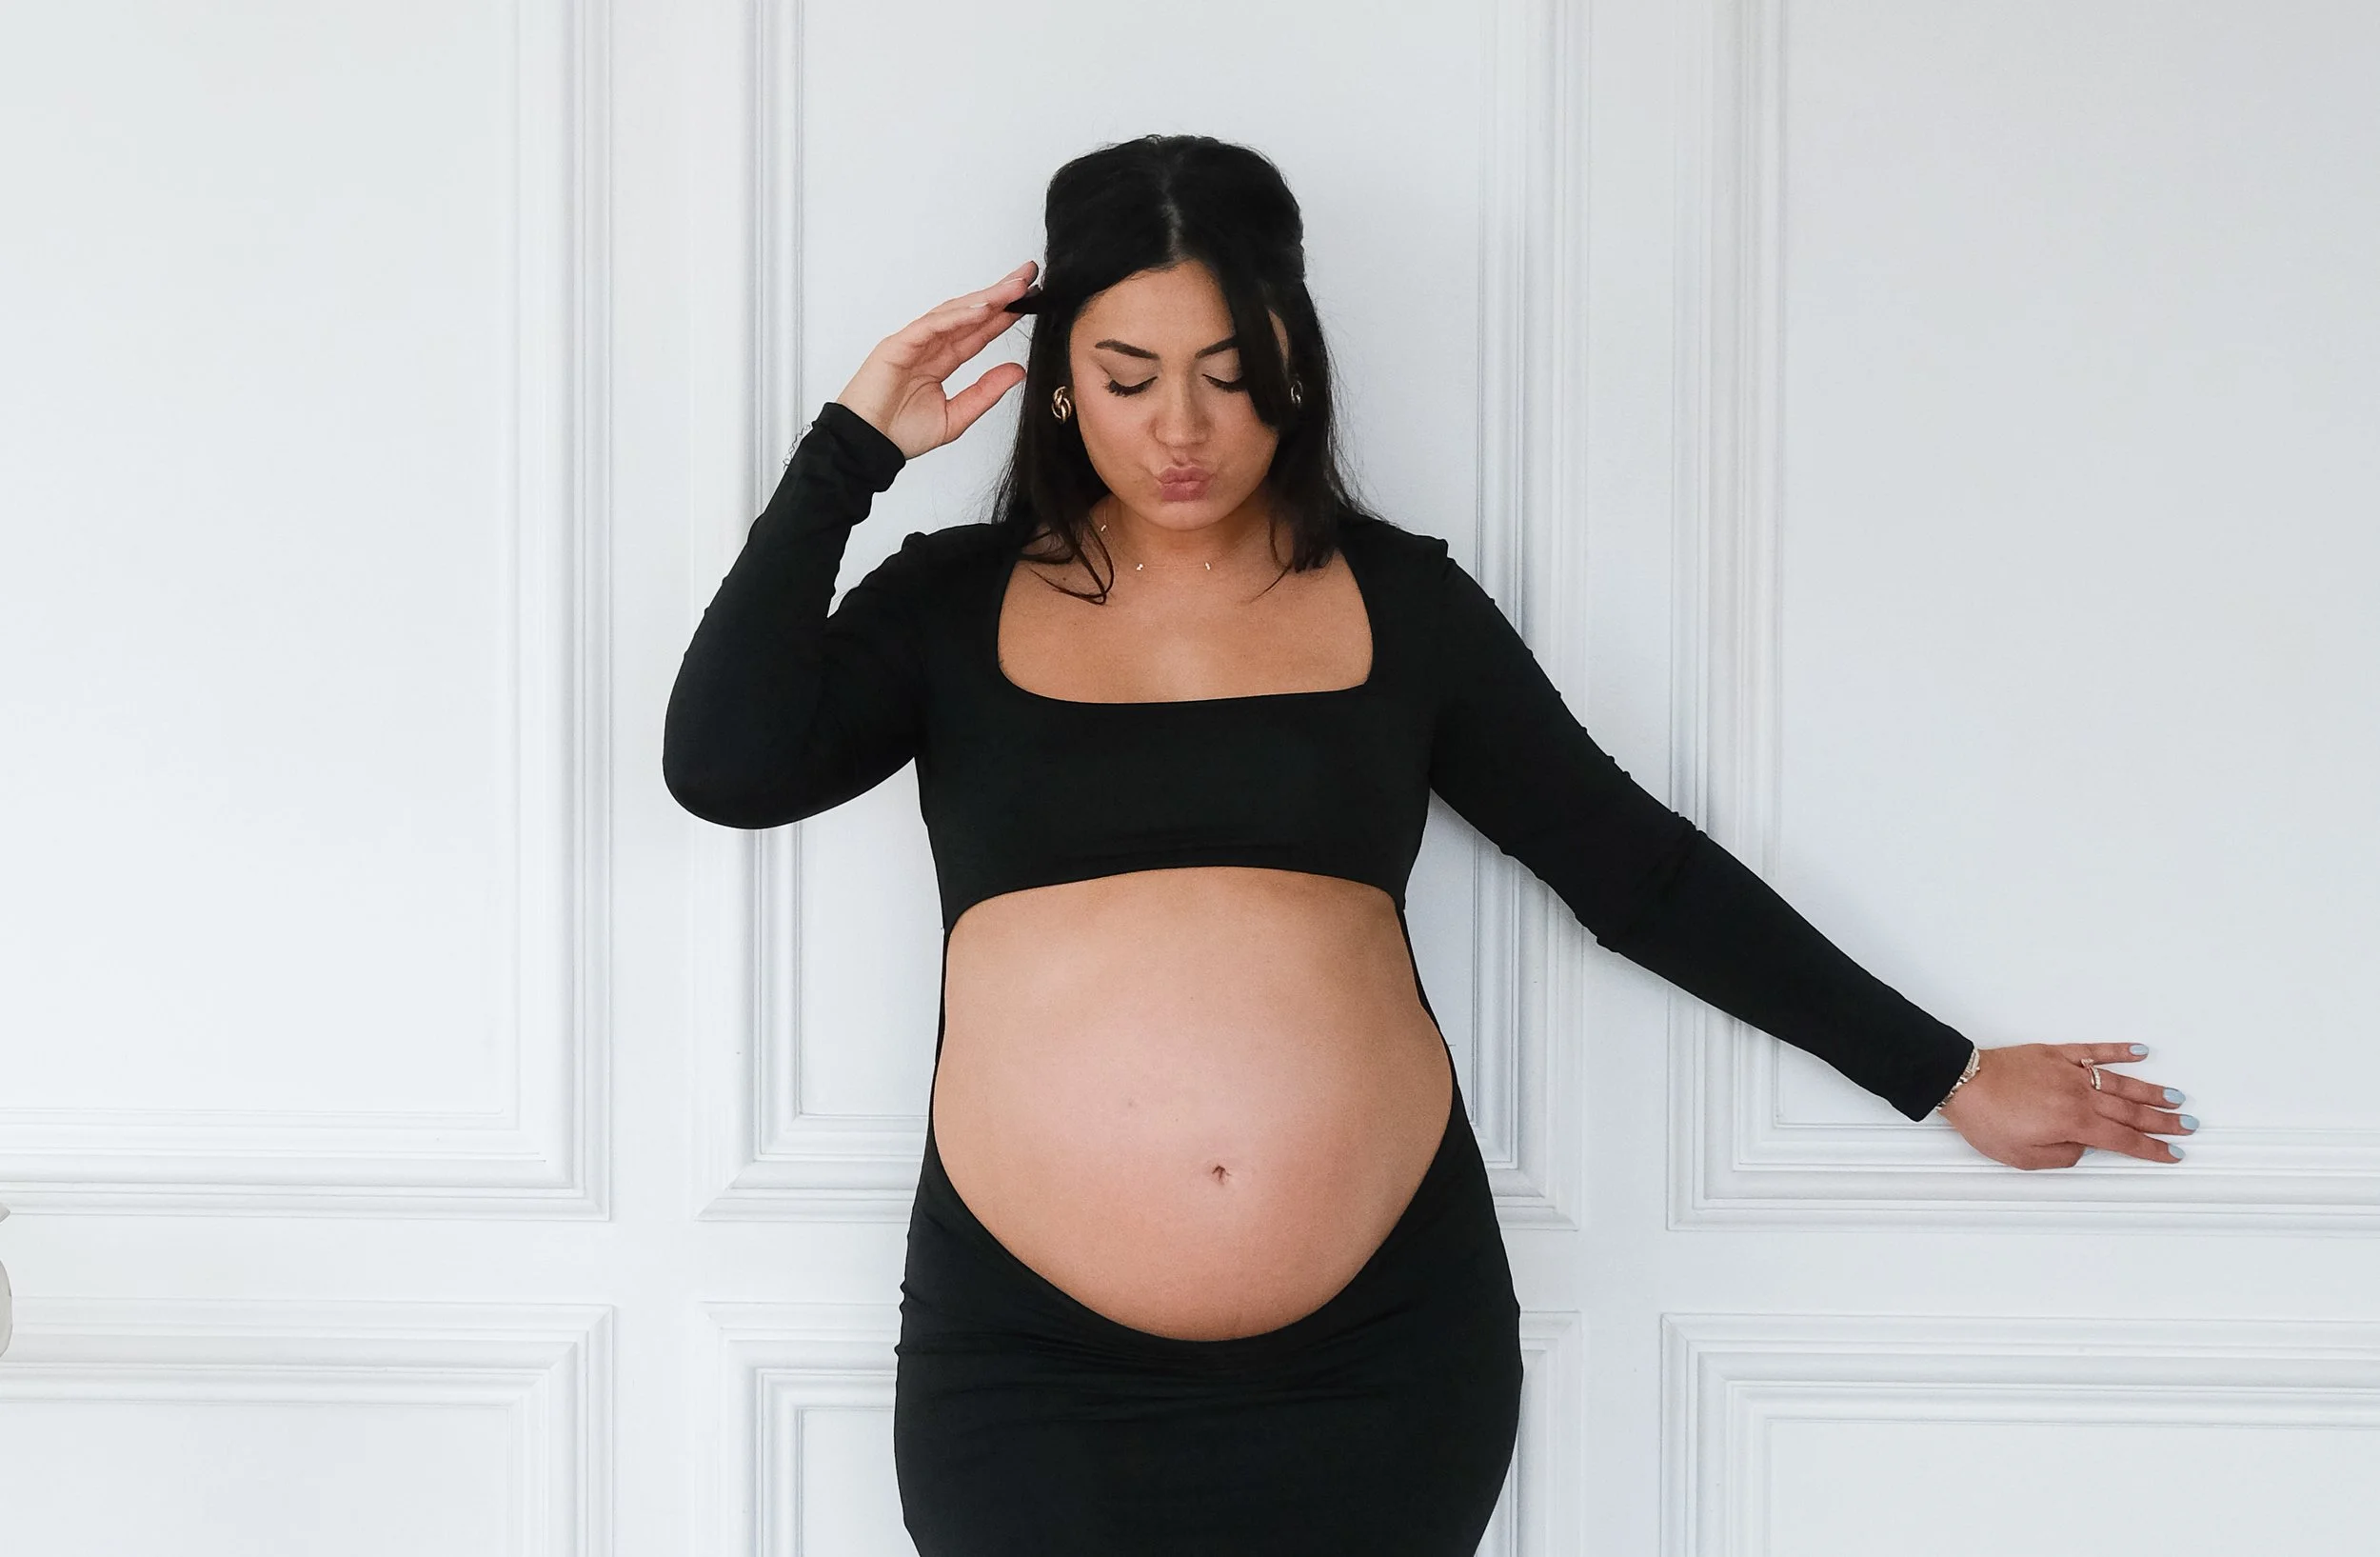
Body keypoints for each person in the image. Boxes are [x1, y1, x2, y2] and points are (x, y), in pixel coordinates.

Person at [662, 133, 2193, 1557]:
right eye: (1127, 376)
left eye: (1228, 373)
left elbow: (1637, 871)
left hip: (1382, 1361)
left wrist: (1948, 1073)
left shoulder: (1403, 605)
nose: (1181, 429)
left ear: (1294, 376)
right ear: (1058, 377)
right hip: (1031, 1370)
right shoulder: (948, 603)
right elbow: (724, 766)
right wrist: (852, 447)